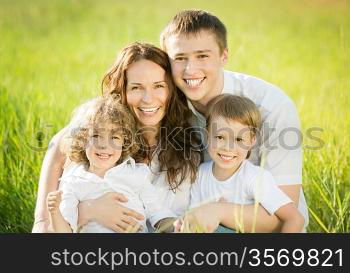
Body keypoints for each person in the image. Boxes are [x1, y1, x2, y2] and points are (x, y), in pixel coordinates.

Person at [160, 10, 309, 232]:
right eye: (180, 58)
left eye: (202, 56)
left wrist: (218, 211)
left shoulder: (270, 105)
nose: (190, 69)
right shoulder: (164, 105)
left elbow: (288, 216)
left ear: (224, 56)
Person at [32, 43, 201, 233]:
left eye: (159, 86)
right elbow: (59, 144)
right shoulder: (100, 134)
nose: (148, 98)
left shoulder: (188, 138)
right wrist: (88, 210)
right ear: (122, 90)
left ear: (171, 89)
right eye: (136, 87)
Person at [47, 97, 175, 233]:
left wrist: (178, 227)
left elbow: (158, 212)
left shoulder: (135, 173)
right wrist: (54, 213)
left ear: (124, 142)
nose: (104, 145)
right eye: (96, 136)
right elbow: (64, 231)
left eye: (114, 138)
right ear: (83, 139)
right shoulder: (74, 181)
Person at [178, 95, 305, 233]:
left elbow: (295, 219)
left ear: (252, 141)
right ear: (208, 135)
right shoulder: (200, 174)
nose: (228, 148)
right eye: (220, 137)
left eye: (239, 139)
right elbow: (195, 220)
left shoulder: (254, 177)